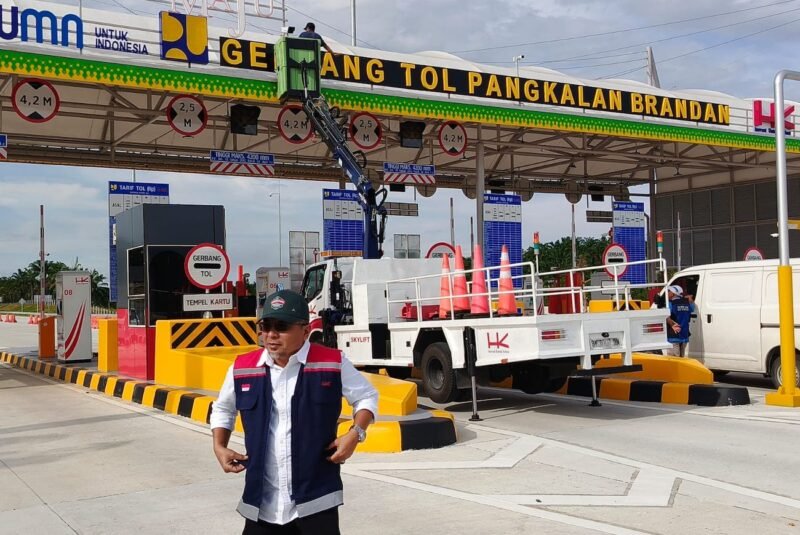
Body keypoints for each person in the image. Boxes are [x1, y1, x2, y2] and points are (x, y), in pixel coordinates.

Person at [210, 289, 378, 535]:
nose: (271, 335)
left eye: (282, 326)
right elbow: (223, 409)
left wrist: (356, 433)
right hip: (261, 504)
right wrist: (219, 445)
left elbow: (366, 397)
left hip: (316, 502)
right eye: (265, 326)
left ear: (306, 331)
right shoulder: (242, 368)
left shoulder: (332, 362)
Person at [666, 285, 694, 357]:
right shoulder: (687, 303)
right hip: (684, 335)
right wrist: (688, 299)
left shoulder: (670, 304)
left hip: (674, 336)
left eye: (669, 291)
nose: (668, 293)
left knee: (673, 360)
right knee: (682, 358)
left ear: (673, 294)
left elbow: (666, 316)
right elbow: (692, 308)